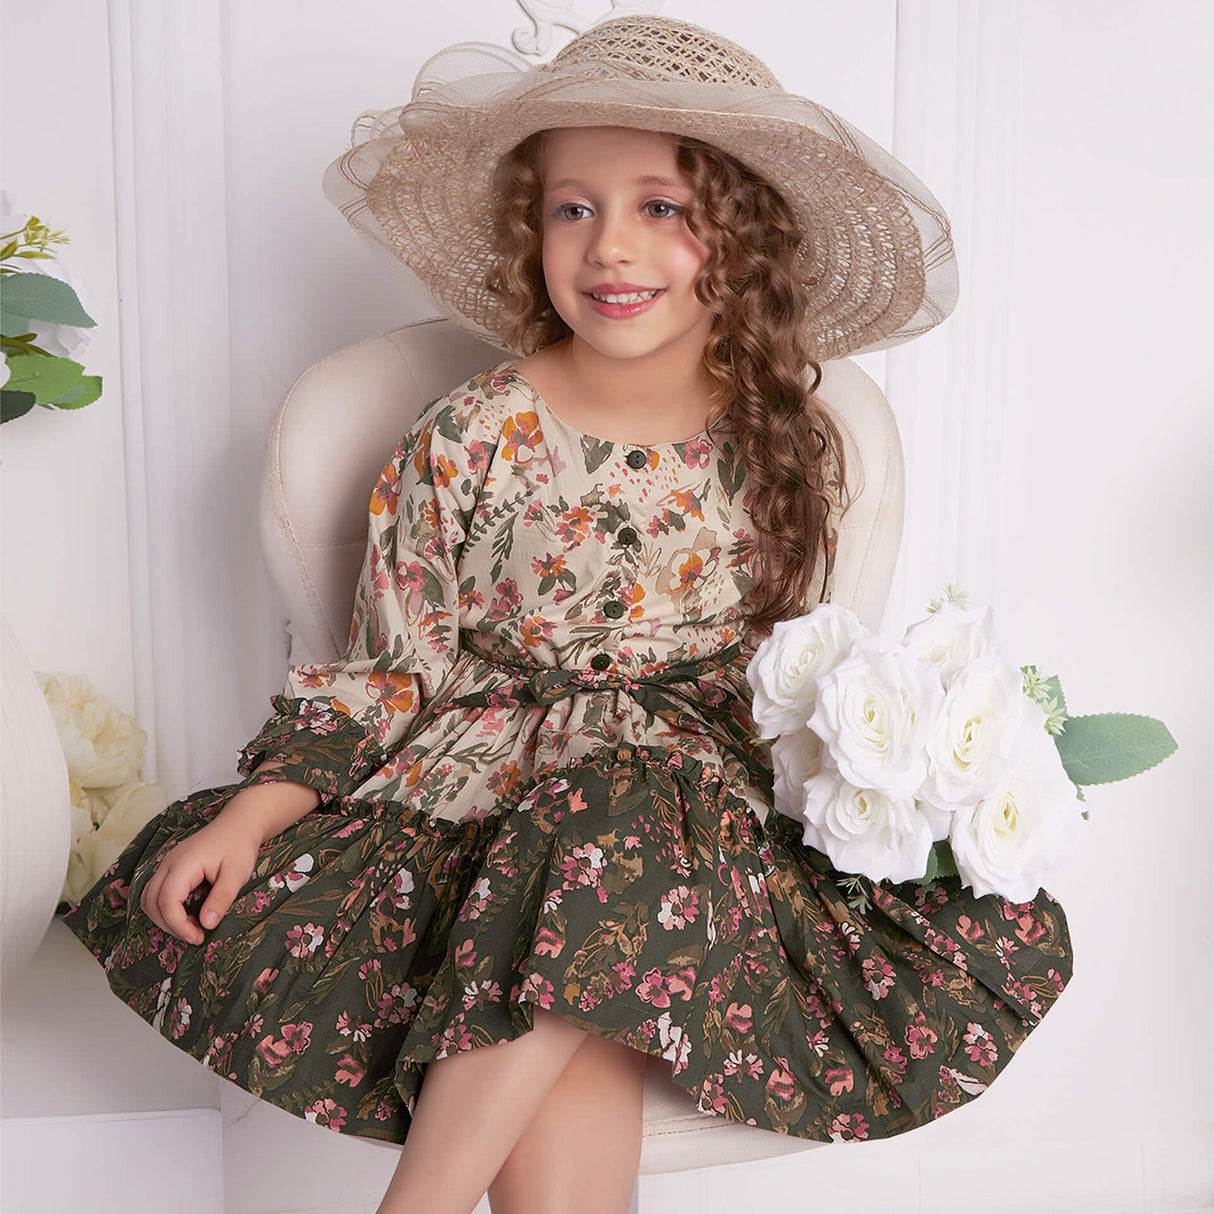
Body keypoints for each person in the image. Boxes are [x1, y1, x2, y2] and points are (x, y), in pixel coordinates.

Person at [62, 15, 1073, 1214]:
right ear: (529, 229)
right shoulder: (469, 435)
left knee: (626, 817)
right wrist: (256, 809)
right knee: (583, 908)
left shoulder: (783, 441)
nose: (611, 246)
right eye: (571, 208)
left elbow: (797, 675)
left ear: (735, 237)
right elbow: (387, 670)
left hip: (695, 845)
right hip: (478, 821)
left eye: (661, 205)